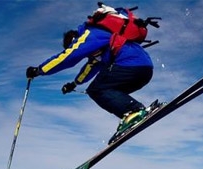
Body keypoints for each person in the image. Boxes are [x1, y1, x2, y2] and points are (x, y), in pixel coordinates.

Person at [26, 6, 155, 134]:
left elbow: (68, 57)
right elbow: (89, 69)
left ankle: (134, 111)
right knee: (107, 92)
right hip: (145, 70)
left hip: (130, 65)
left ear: (74, 39)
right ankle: (132, 113)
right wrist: (74, 84)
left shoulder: (90, 34)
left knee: (97, 90)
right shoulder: (102, 46)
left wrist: (38, 70)